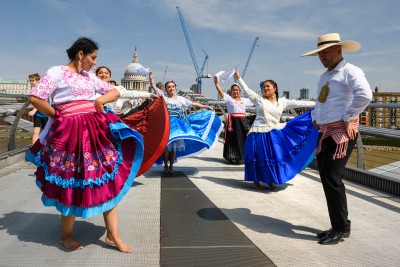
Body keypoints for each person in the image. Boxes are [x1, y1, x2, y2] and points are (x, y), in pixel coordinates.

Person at [25, 37, 145, 253]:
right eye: (93, 57)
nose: (95, 63)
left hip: (95, 133)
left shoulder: (89, 77)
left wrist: (100, 100)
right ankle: (66, 235)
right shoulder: (56, 72)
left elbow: (116, 91)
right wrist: (57, 115)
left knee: (107, 179)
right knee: (70, 181)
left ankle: (113, 235)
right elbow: (36, 97)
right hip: (69, 135)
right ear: (80, 54)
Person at [302, 33, 372, 245]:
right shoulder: (325, 76)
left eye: (326, 52)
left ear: (339, 50)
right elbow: (320, 102)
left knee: (332, 177)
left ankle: (341, 227)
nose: (323, 56)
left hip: (341, 133)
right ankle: (337, 225)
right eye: (320, 53)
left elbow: (365, 95)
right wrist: (315, 118)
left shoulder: (350, 71)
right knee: (326, 176)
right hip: (325, 131)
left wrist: (350, 116)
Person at [234, 70, 318, 190]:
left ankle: (270, 180)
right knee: (257, 156)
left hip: (273, 133)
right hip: (257, 133)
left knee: (272, 157)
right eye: (264, 87)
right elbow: (247, 91)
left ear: (275, 88)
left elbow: (298, 103)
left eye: (268, 86)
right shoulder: (258, 99)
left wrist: (316, 103)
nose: (265, 88)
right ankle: (256, 181)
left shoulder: (282, 101)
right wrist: (239, 79)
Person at [95, 65, 169, 177]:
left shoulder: (116, 90)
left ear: (110, 76)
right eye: (100, 72)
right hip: (94, 123)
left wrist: (149, 94)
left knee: (111, 149)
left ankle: (110, 174)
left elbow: (132, 93)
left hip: (110, 124)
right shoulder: (90, 88)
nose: (103, 74)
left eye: (106, 73)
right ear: (96, 75)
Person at [157, 80, 223, 174]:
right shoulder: (164, 98)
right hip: (167, 124)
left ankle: (171, 165)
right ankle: (166, 165)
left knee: (174, 147)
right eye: (169, 87)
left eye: (173, 86)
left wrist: (205, 106)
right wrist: (151, 79)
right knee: (167, 147)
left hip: (178, 126)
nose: (171, 88)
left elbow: (192, 103)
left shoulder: (180, 99)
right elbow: (155, 92)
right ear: (166, 90)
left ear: (175, 88)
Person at [213, 75, 253, 164]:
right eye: (234, 90)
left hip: (242, 122)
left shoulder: (245, 100)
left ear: (239, 91)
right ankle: (231, 156)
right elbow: (221, 92)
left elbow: (255, 101)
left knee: (244, 139)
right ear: (231, 91)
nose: (235, 91)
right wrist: (216, 83)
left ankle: (241, 156)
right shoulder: (229, 99)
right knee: (232, 139)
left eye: (237, 90)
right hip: (233, 122)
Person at [27, 73, 49, 144]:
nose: (31, 82)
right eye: (30, 81)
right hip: (39, 114)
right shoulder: (36, 90)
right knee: (36, 132)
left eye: (32, 80)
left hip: (45, 113)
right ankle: (34, 148)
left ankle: (42, 148)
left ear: (38, 81)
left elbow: (40, 102)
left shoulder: (40, 90)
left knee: (45, 132)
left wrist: (33, 111)